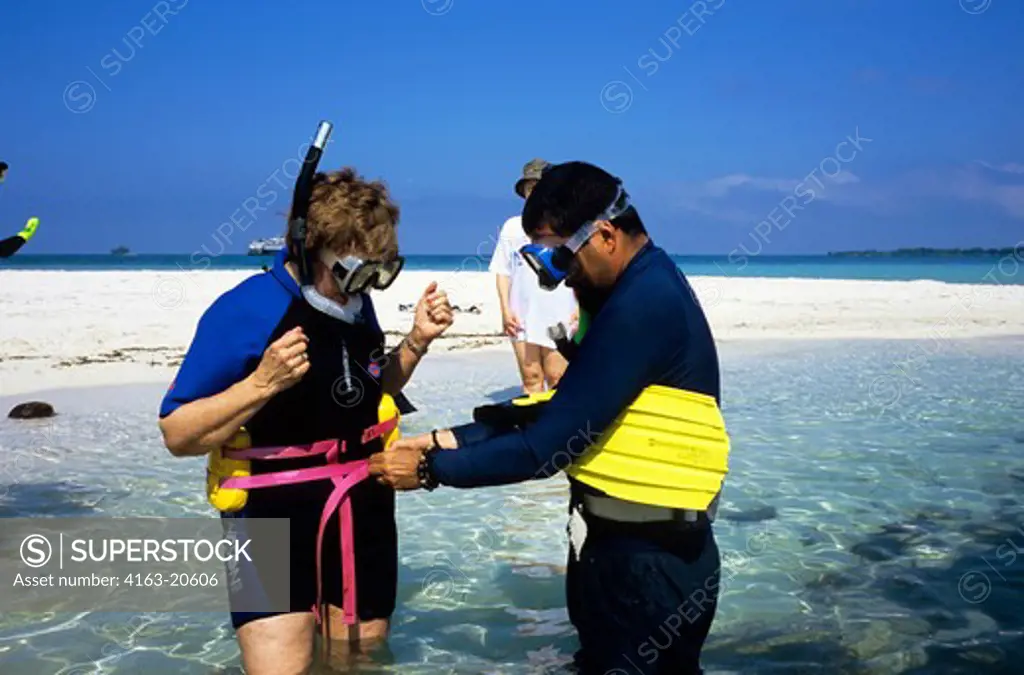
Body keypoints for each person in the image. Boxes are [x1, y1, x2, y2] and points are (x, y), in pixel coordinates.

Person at [369, 161, 729, 674]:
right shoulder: (626, 291)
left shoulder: (643, 303)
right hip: (612, 550)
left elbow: (548, 444)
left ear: (606, 235)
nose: (557, 278)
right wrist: (441, 440)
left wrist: (429, 467)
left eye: (560, 257)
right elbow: (560, 410)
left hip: (651, 563)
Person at [158, 165, 454, 675]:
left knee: (360, 663)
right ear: (309, 249)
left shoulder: (357, 307)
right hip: (270, 516)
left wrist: (417, 342)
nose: (365, 288)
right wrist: (261, 384)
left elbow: (364, 394)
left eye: (381, 273)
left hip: (363, 505)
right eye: (355, 272)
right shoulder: (246, 310)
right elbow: (178, 434)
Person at [490, 158, 577, 393]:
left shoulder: (567, 227)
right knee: (531, 378)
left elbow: (581, 269)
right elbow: (502, 271)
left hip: (560, 313)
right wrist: (505, 310)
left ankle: (559, 428)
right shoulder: (512, 227)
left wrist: (580, 308)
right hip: (522, 314)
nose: (534, 193)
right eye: (530, 188)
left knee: (558, 377)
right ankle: (531, 427)